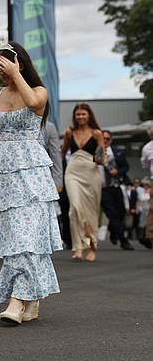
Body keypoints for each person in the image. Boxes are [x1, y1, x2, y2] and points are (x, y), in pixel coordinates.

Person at [0, 41, 61, 325]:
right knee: (15, 238)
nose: (0, 70)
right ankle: (31, 298)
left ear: (19, 63)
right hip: (4, 174)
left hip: (32, 174)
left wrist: (16, 74)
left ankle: (16, 299)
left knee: (26, 238)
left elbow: (36, 105)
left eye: (5, 64)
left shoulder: (38, 91)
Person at [61, 104, 104, 261]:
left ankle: (92, 246)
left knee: (91, 211)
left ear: (89, 115)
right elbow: (62, 153)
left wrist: (100, 159)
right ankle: (78, 246)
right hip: (72, 172)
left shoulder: (97, 133)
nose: (80, 117)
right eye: (78, 114)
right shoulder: (69, 132)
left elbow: (102, 157)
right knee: (75, 209)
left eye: (83, 114)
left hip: (91, 173)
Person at [100, 130, 134, 250]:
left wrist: (118, 172)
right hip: (102, 188)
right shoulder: (97, 151)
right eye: (102, 138)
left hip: (116, 185)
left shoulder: (117, 152)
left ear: (111, 140)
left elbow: (126, 166)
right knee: (112, 213)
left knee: (121, 212)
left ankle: (113, 230)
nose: (104, 141)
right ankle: (123, 240)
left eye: (107, 139)